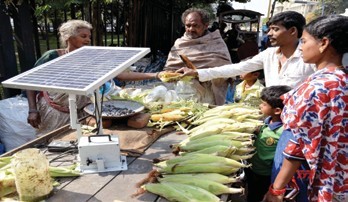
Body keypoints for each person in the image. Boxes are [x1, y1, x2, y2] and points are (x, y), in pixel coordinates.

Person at [264, 15, 348, 202]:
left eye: (304, 40)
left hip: (311, 178)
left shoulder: (315, 88)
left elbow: (297, 146)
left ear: (324, 43)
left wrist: (277, 189)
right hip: (339, 179)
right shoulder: (342, 80)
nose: (300, 47)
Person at [27, 20, 158, 136]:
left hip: (82, 112)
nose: (88, 40)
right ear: (68, 37)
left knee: (77, 142)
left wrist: (157, 75)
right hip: (55, 113)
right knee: (53, 143)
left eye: (89, 36)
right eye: (83, 36)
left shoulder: (92, 58)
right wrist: (33, 110)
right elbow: (30, 82)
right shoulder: (52, 57)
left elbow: (120, 75)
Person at [177, 11, 316, 89]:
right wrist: (197, 72)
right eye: (269, 29)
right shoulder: (269, 55)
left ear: (292, 31)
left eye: (275, 29)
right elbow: (236, 68)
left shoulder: (311, 59)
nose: (269, 34)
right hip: (273, 117)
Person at [164, 7, 231, 105]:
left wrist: (198, 73)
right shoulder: (179, 44)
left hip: (208, 94)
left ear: (206, 25)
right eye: (188, 26)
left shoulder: (216, 43)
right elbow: (170, 68)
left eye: (195, 25)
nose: (191, 29)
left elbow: (226, 70)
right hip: (183, 92)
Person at [245, 85, 292, 202]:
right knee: (252, 192)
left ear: (277, 110)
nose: (260, 105)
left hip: (266, 174)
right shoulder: (266, 121)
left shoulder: (284, 132)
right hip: (253, 168)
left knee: (260, 195)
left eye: (264, 104)